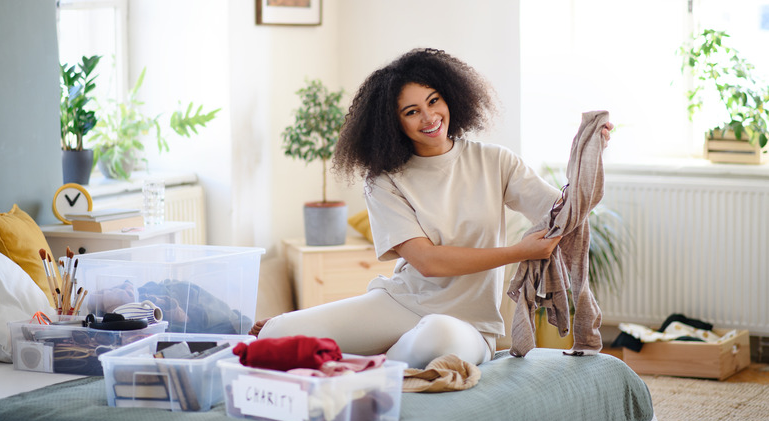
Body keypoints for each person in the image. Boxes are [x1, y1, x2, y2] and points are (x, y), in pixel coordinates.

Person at [252, 48, 612, 369]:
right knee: (277, 331)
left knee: (437, 338)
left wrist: (591, 155)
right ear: (394, 124)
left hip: (469, 325)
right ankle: (376, 354)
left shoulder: (495, 161)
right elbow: (427, 261)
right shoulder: (384, 180)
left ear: (451, 97)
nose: (429, 117)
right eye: (412, 111)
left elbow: (563, 213)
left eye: (434, 100)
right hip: (402, 304)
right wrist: (519, 252)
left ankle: (373, 364)